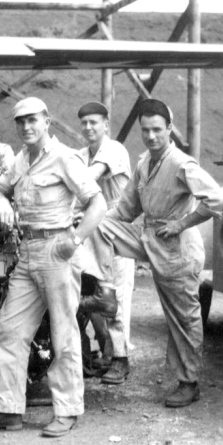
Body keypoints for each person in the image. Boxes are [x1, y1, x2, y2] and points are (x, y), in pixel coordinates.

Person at [84, 98, 223, 407]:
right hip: (149, 239)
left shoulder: (181, 163)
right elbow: (124, 210)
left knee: (182, 318)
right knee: (99, 226)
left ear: (170, 129)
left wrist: (182, 223)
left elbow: (219, 200)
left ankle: (189, 383)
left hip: (178, 250)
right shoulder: (144, 163)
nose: (151, 136)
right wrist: (85, 220)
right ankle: (106, 292)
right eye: (145, 130)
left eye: (157, 130)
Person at [0, 97, 108, 437]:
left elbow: (98, 202)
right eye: (20, 122)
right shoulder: (21, 159)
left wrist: (77, 238)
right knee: (10, 331)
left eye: (32, 120)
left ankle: (67, 411)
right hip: (28, 251)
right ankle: (9, 410)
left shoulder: (64, 158)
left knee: (63, 334)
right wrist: (4, 199)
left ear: (47, 121)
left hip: (57, 249)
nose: (26, 127)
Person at [74, 101, 136, 385]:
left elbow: (89, 178)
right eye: (84, 123)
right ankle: (107, 351)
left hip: (116, 230)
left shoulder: (114, 149)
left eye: (94, 123)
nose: (88, 128)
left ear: (106, 125)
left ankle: (121, 359)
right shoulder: (80, 154)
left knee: (116, 298)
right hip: (92, 231)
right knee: (94, 295)